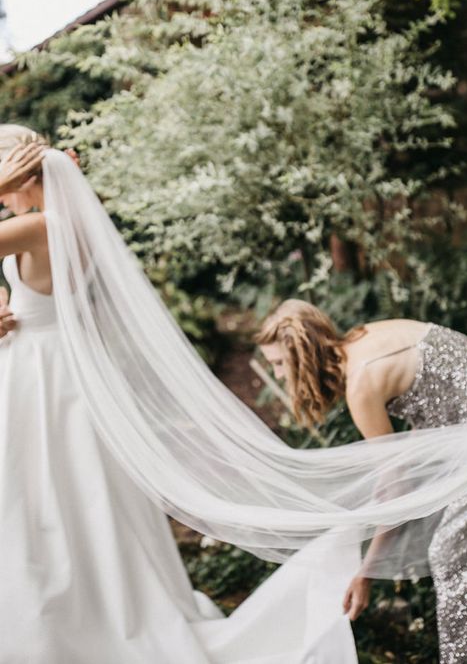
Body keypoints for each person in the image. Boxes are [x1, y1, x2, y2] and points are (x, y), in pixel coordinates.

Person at [0, 125, 358, 663]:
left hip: (44, 374)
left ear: (22, 176)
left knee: (48, 496)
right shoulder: (60, 222)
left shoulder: (40, 225)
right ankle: (87, 605)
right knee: (74, 495)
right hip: (56, 367)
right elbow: (37, 293)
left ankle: (62, 621)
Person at [256, 302, 467, 663]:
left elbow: (394, 488)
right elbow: (436, 402)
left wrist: (365, 572)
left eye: (277, 363)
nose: (277, 374)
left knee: (451, 554)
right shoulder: (367, 334)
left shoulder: (360, 384)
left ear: (300, 355)